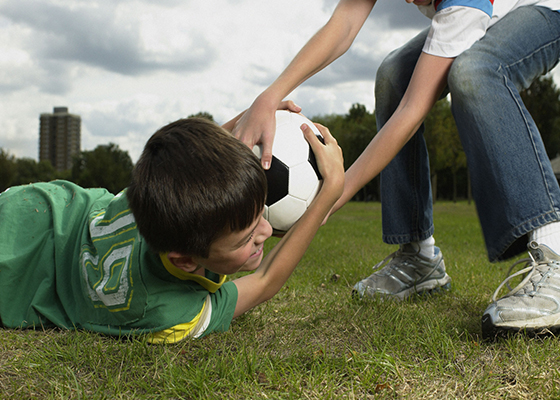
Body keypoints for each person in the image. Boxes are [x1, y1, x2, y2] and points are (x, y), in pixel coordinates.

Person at [233, 0, 560, 338]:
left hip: (545, 9)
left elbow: (410, 111)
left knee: (475, 72)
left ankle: (556, 254)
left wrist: (334, 194)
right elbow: (343, 24)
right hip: (490, 12)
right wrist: (270, 96)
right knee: (393, 75)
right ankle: (419, 257)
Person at [0, 116, 344, 343]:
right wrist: (328, 193)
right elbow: (264, 282)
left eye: (262, 213)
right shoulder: (171, 311)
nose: (264, 231)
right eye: (246, 238)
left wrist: (259, 113)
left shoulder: (159, 192)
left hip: (26, 211)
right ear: (185, 261)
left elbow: (195, 151)